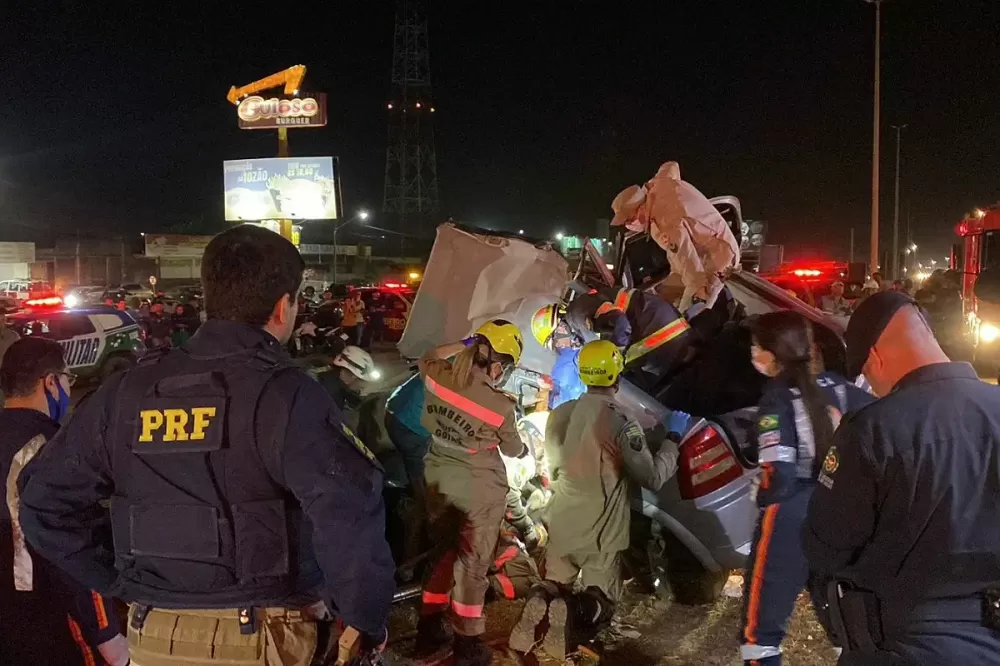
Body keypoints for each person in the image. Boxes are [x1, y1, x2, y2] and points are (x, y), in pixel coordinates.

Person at [18, 226, 395, 666]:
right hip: (266, 635)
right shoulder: (287, 394)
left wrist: (122, 579)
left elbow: (44, 505)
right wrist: (365, 620)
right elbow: (346, 512)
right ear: (282, 306)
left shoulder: (123, 393)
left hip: (155, 636)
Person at [804, 291, 1000, 664]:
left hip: (898, 643)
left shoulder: (872, 430)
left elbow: (826, 545)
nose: (872, 386)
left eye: (865, 373)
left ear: (875, 356)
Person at [509, 340, 685, 660]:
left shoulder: (559, 413)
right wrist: (672, 439)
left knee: (556, 581)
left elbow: (553, 466)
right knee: (601, 598)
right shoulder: (621, 421)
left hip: (561, 516)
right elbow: (652, 477)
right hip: (601, 527)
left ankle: (543, 600)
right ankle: (574, 627)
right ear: (616, 377)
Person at [738, 311, 873, 666]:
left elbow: (777, 472)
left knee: (761, 631)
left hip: (791, 511)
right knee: (845, 619)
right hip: (841, 507)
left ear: (772, 353)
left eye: (756, 346)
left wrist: (762, 495)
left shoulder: (777, 400)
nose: (753, 354)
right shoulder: (843, 390)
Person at [1, 337, 127, 665]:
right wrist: (107, 635)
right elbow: (74, 551)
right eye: (67, 380)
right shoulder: (53, 450)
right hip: (46, 619)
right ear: (52, 382)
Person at [415, 320, 527, 666]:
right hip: (478, 489)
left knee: (442, 553)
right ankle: (468, 642)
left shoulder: (438, 375)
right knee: (473, 566)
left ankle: (429, 627)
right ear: (497, 363)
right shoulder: (500, 406)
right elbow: (514, 450)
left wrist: (466, 341)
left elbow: (429, 354)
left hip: (437, 476)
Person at [610, 161, 740, 310]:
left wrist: (699, 294)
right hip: (698, 253)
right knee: (664, 298)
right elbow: (671, 166)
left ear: (640, 209)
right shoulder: (658, 184)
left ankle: (691, 327)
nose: (628, 225)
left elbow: (688, 260)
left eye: (629, 220)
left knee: (690, 314)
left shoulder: (666, 220)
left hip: (718, 257)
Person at [385, 371, 434, 569]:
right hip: (412, 430)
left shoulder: (449, 358)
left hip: (394, 414)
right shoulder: (466, 379)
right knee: (425, 500)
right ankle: (409, 564)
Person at [529, 304, 585, 409]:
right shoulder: (563, 369)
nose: (565, 327)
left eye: (564, 322)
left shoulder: (583, 329)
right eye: (560, 328)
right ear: (555, 343)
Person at [315, 345, 378, 413]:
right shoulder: (331, 392)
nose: (362, 386)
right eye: (362, 380)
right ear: (353, 376)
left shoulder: (330, 377)